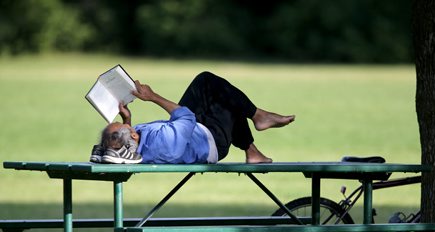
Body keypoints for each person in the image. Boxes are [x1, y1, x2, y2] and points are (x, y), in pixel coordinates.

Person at [90, 71, 295, 164]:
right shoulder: (164, 144)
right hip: (211, 141)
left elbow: (130, 142)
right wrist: (151, 97)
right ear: (133, 136)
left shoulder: (137, 144)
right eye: (121, 125)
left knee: (207, 85)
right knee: (217, 92)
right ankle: (259, 116)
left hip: (192, 134)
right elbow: (186, 117)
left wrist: (127, 120)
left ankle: (254, 151)